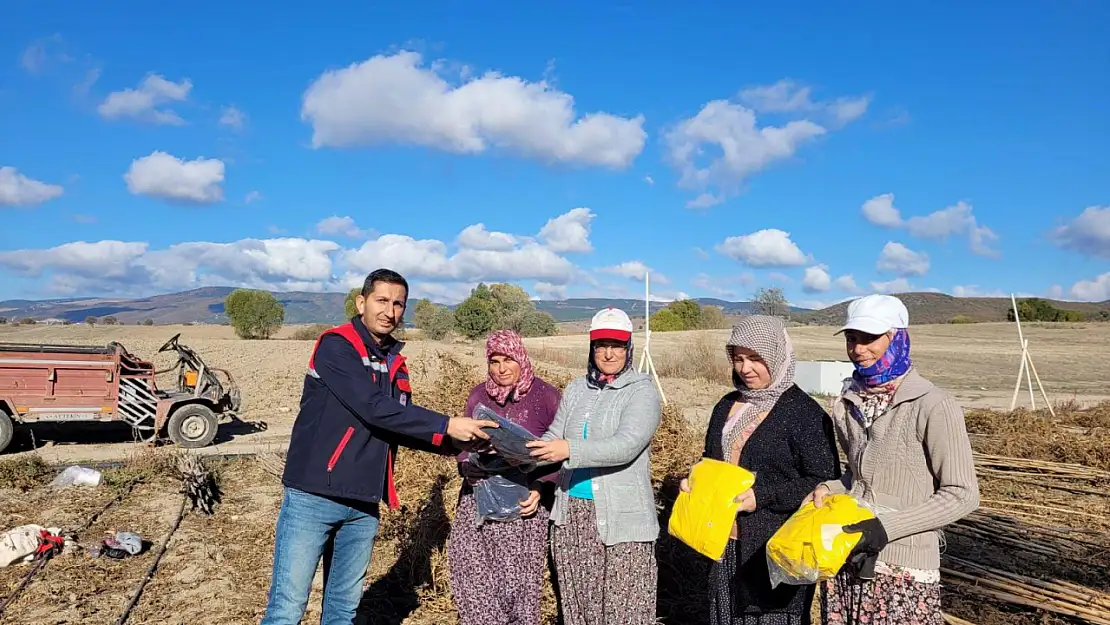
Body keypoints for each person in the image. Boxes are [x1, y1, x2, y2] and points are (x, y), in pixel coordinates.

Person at [260, 268, 498, 625]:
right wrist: (447, 423)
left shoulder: (392, 361)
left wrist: (455, 442)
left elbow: (398, 422)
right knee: (287, 609)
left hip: (363, 503)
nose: (390, 311)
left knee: (342, 611)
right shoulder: (336, 346)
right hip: (314, 495)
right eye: (382, 300)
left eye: (398, 304)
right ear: (362, 302)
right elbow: (374, 408)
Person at [805, 294, 980, 625]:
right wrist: (830, 487)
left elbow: (962, 493)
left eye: (870, 338)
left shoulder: (933, 404)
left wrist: (885, 529)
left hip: (903, 569)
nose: (858, 349)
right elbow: (860, 477)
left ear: (897, 336)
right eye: (852, 338)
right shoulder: (847, 403)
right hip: (848, 554)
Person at [680, 315, 840, 625]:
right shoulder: (726, 405)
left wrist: (762, 496)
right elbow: (710, 459)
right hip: (723, 542)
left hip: (775, 548)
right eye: (738, 358)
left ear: (777, 356)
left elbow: (823, 479)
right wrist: (695, 479)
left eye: (756, 358)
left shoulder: (803, 413)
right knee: (724, 616)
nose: (745, 368)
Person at [526, 307, 662, 625]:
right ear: (592, 347)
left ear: (629, 348)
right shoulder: (576, 389)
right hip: (572, 515)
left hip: (622, 522)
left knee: (623, 611)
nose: (608, 352)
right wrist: (522, 448)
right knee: (579, 608)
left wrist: (567, 449)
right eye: (601, 345)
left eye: (616, 344)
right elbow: (553, 435)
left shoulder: (641, 391)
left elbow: (625, 446)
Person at [447, 329, 563, 625]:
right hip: (479, 499)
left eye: (508, 360)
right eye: (494, 361)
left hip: (524, 508)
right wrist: (466, 465)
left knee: (518, 589)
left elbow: (561, 449)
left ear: (521, 359)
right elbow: (463, 444)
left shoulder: (546, 397)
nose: (501, 369)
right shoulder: (478, 396)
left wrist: (540, 487)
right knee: (472, 577)